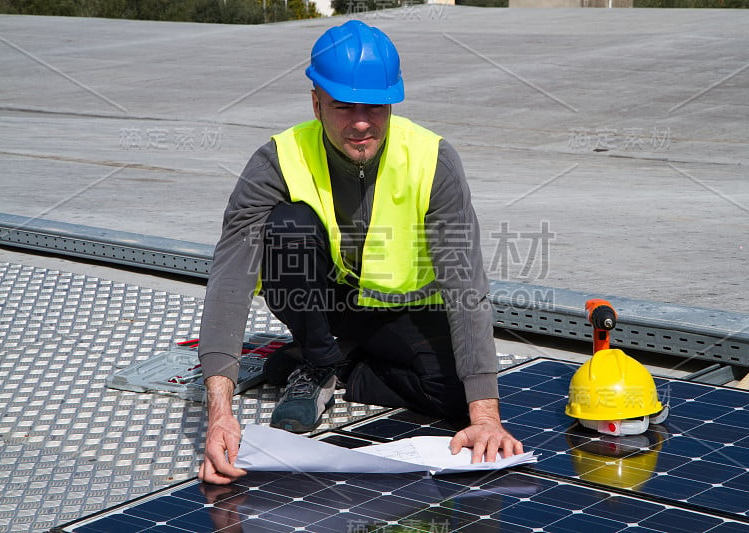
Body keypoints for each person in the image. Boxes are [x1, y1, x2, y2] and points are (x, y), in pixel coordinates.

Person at [198, 20, 523, 485]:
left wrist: (485, 416)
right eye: (343, 107)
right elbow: (230, 279)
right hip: (324, 306)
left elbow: (465, 283)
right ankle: (318, 360)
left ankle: (339, 366)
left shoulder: (433, 160)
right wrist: (219, 416)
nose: (361, 123)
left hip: (402, 309)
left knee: (457, 397)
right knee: (289, 228)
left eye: (374, 106)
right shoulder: (277, 160)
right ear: (315, 102)